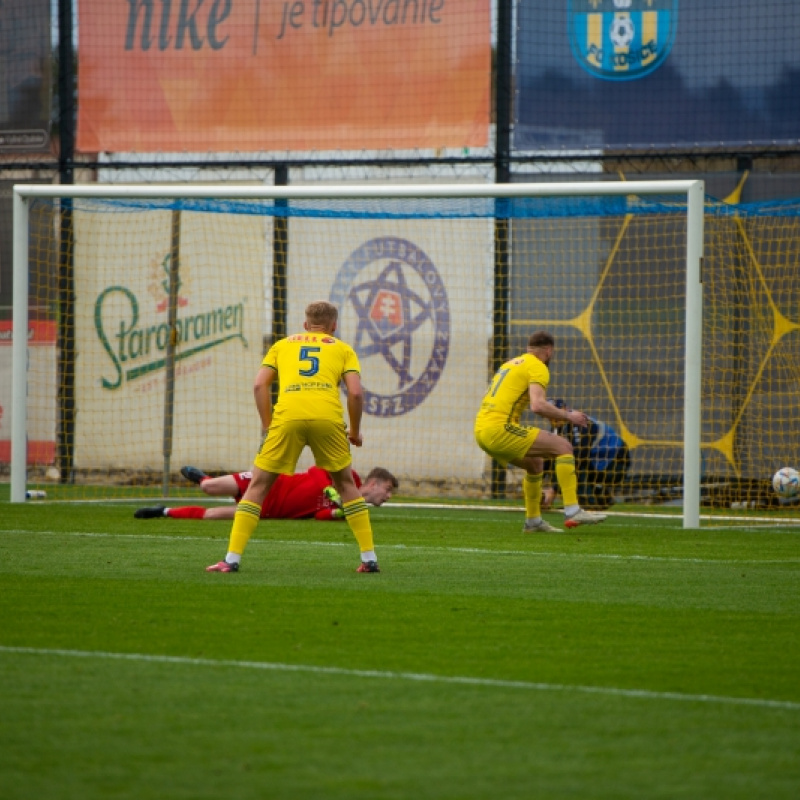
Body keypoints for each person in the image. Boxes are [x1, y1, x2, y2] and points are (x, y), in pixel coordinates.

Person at [206, 300, 380, 574]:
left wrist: (267, 424)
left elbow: (259, 384)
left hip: (287, 417)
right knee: (346, 485)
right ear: (334, 326)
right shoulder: (344, 349)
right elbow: (356, 394)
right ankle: (369, 558)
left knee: (258, 487)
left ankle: (231, 560)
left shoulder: (282, 345)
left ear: (305, 324)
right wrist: (355, 431)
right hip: (327, 418)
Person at [474, 330, 607, 532]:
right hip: (499, 429)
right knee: (564, 446)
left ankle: (533, 521)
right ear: (548, 350)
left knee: (536, 464)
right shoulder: (538, 366)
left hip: (482, 430)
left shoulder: (510, 364)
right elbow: (538, 405)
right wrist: (570, 416)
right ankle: (573, 510)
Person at [133, 464, 398, 521]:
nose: (387, 497)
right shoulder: (348, 476)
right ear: (373, 484)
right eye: (387, 490)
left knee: (213, 515)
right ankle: (202, 476)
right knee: (208, 488)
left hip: (269, 510)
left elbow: (319, 516)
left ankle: (163, 511)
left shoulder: (352, 509)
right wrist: (331, 491)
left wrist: (338, 509)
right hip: (270, 482)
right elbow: (316, 470)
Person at [547, 400, 630, 510]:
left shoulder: (579, 423)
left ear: (565, 410)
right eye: (550, 415)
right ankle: (601, 498)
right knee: (559, 462)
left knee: (572, 466)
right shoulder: (559, 427)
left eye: (555, 413)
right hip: (600, 464)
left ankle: (587, 505)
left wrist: (554, 489)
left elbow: (579, 458)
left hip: (616, 465)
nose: (553, 418)